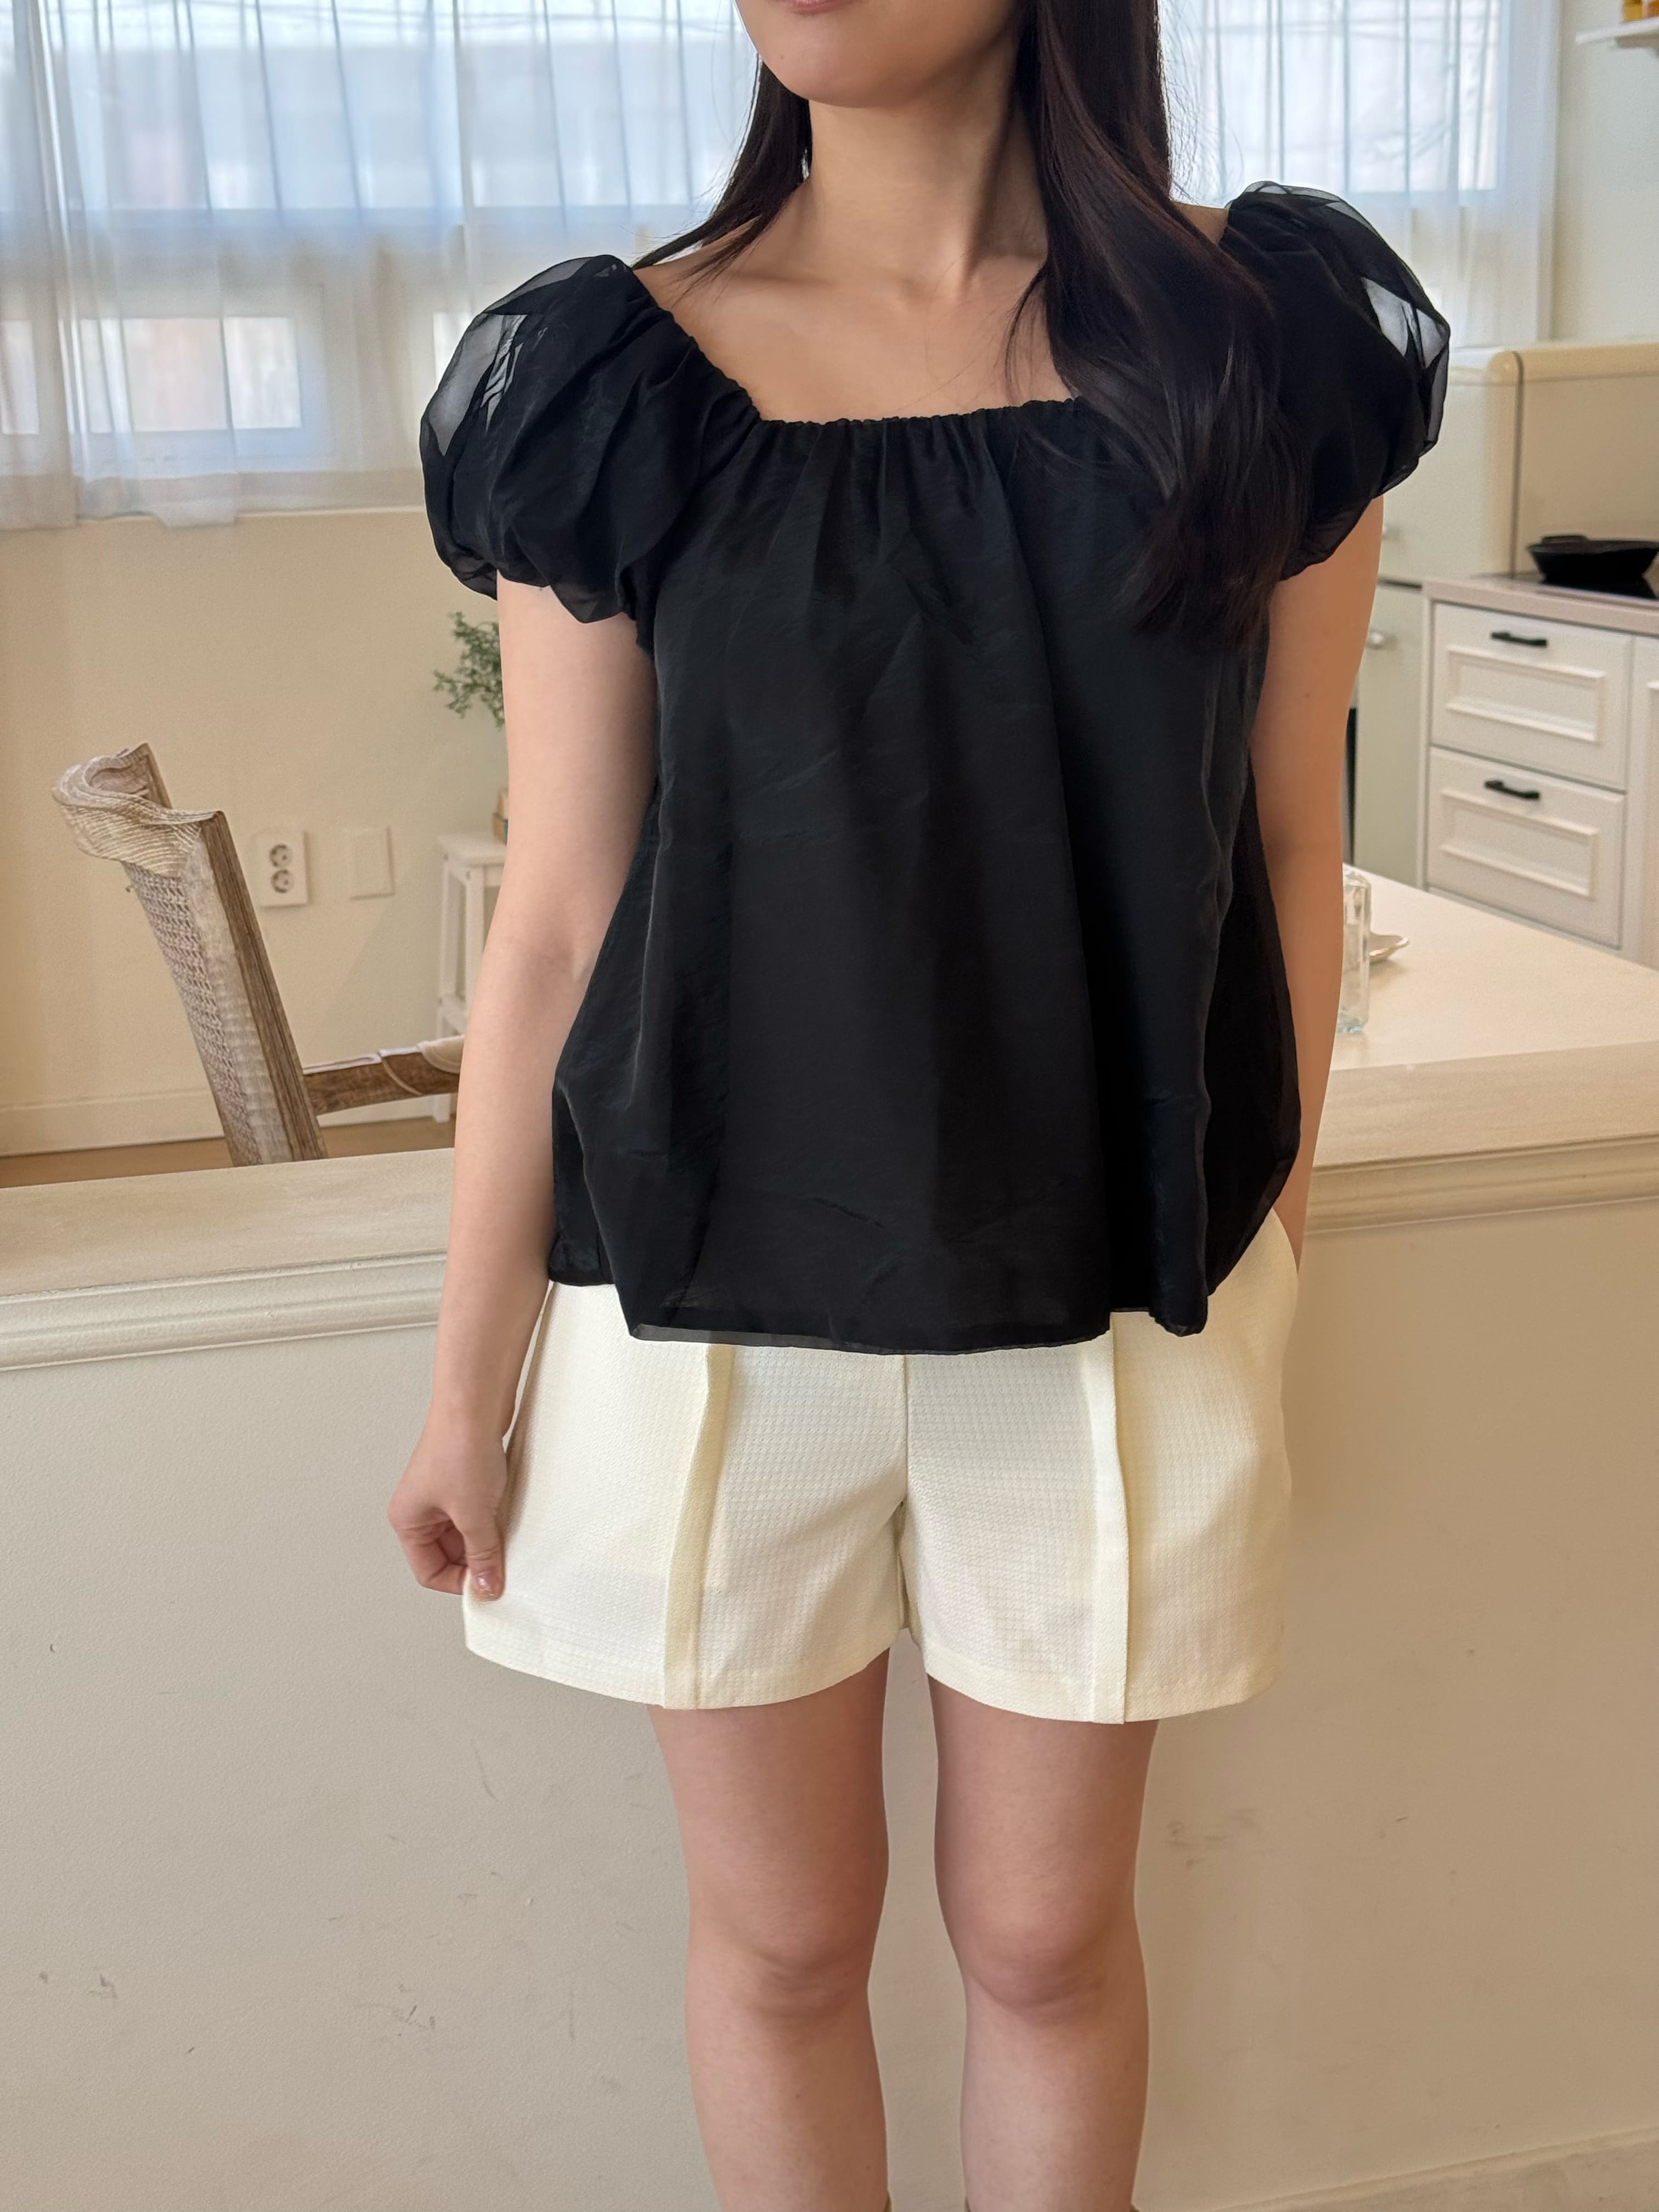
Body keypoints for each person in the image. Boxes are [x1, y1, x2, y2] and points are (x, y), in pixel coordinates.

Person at [393, 0, 1449, 2204]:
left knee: (1047, 1941)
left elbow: (1287, 847)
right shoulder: (615, 379)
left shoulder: (1260, 349)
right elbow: (559, 915)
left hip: (1112, 1298)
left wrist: (1270, 1248)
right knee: (786, 1944)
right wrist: (464, 1381)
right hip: (708, 1303)